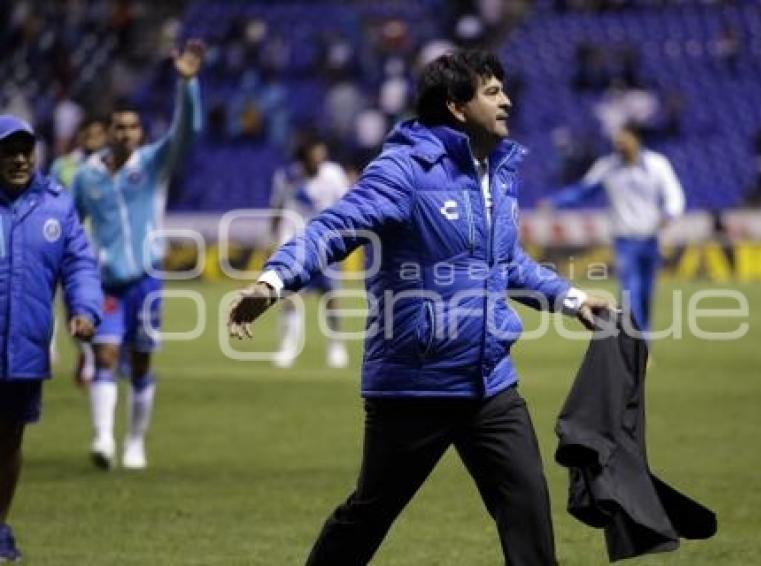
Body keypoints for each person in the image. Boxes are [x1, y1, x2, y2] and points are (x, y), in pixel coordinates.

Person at [229, 50, 611, 565]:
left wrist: (572, 299)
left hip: (489, 381)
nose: (507, 101)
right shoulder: (404, 168)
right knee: (369, 514)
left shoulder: (498, 171)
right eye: (493, 92)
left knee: (527, 508)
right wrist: (274, 280)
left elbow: (505, 265)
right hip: (413, 386)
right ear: (457, 106)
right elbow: (332, 227)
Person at [70, 40, 204, 471]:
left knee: (142, 361)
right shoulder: (87, 177)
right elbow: (73, 228)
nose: (126, 133)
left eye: (132, 127)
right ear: (107, 131)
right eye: (118, 127)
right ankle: (103, 440)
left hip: (147, 278)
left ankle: (134, 442)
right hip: (106, 280)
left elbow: (188, 133)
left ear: (141, 133)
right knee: (105, 356)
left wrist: (187, 84)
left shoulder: (151, 164)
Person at [0, 115, 102, 562]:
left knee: (10, 442)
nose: (20, 159)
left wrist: (85, 309)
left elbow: (79, 264)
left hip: (24, 346)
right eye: (9, 150)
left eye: (26, 150)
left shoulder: (57, 207)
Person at [543, 124, 685, 332]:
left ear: (636, 139)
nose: (619, 145)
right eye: (617, 141)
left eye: (623, 140)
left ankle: (642, 345)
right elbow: (583, 190)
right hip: (625, 241)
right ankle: (635, 345)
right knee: (630, 294)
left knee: (646, 296)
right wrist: (554, 202)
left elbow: (673, 193)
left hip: (651, 240)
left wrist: (670, 214)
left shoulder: (657, 164)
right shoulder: (607, 166)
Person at [269, 138, 351, 368]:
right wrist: (272, 240)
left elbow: (348, 206)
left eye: (321, 156)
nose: (319, 161)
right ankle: (288, 347)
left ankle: (336, 346)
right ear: (303, 158)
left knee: (332, 299)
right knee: (292, 298)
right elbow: (276, 209)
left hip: (328, 246)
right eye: (314, 157)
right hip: (296, 247)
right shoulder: (287, 176)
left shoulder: (334, 174)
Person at [49, 116, 108, 382]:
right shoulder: (63, 166)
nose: (93, 139)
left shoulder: (111, 166)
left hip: (104, 247)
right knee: (69, 304)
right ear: (80, 135)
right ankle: (84, 351)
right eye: (88, 133)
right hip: (69, 244)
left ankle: (99, 355)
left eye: (98, 133)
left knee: (100, 304)